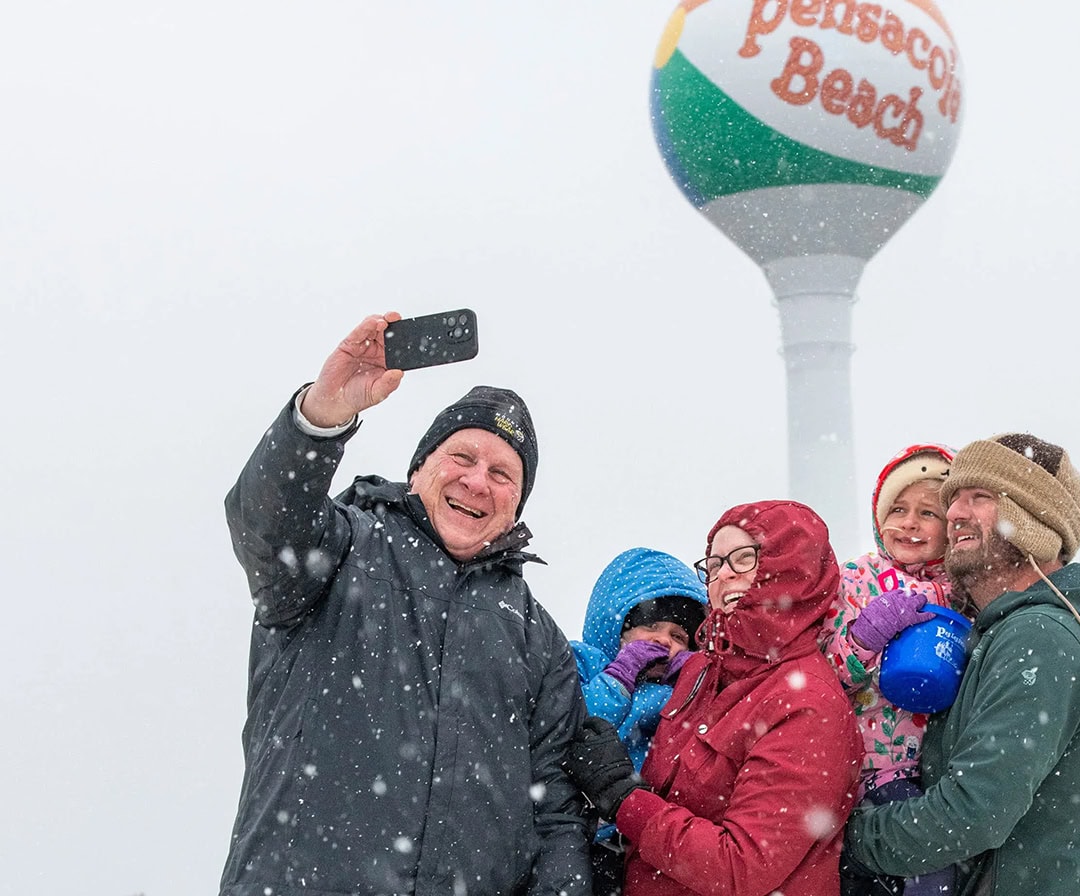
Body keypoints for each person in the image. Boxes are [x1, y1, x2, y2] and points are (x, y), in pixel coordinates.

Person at [220, 313, 589, 896]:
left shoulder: (538, 641)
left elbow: (557, 815)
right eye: (462, 458)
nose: (476, 481)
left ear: (516, 507)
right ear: (418, 469)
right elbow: (268, 527)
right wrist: (319, 418)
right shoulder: (342, 547)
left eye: (501, 473)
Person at [843, 434, 1080, 896]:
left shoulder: (1041, 638)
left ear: (1033, 519)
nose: (954, 512)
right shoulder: (1001, 634)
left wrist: (846, 839)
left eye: (979, 498)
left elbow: (970, 813)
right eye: (953, 498)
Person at [564, 500, 864, 896]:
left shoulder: (808, 703)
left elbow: (743, 866)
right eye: (714, 564)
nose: (723, 576)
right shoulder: (702, 672)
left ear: (793, 571)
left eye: (743, 558)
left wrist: (622, 798)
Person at [820, 444, 959, 896]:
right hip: (870, 766)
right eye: (898, 509)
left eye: (928, 513)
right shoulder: (856, 578)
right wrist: (866, 635)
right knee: (927, 871)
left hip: (935, 769)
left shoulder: (963, 591)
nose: (910, 523)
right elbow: (827, 675)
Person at [570, 547, 709, 896]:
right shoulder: (583, 664)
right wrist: (619, 678)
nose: (664, 640)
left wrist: (692, 681)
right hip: (581, 834)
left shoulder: (682, 693)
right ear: (616, 626)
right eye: (651, 625)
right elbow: (578, 728)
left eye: (679, 636)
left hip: (645, 839)